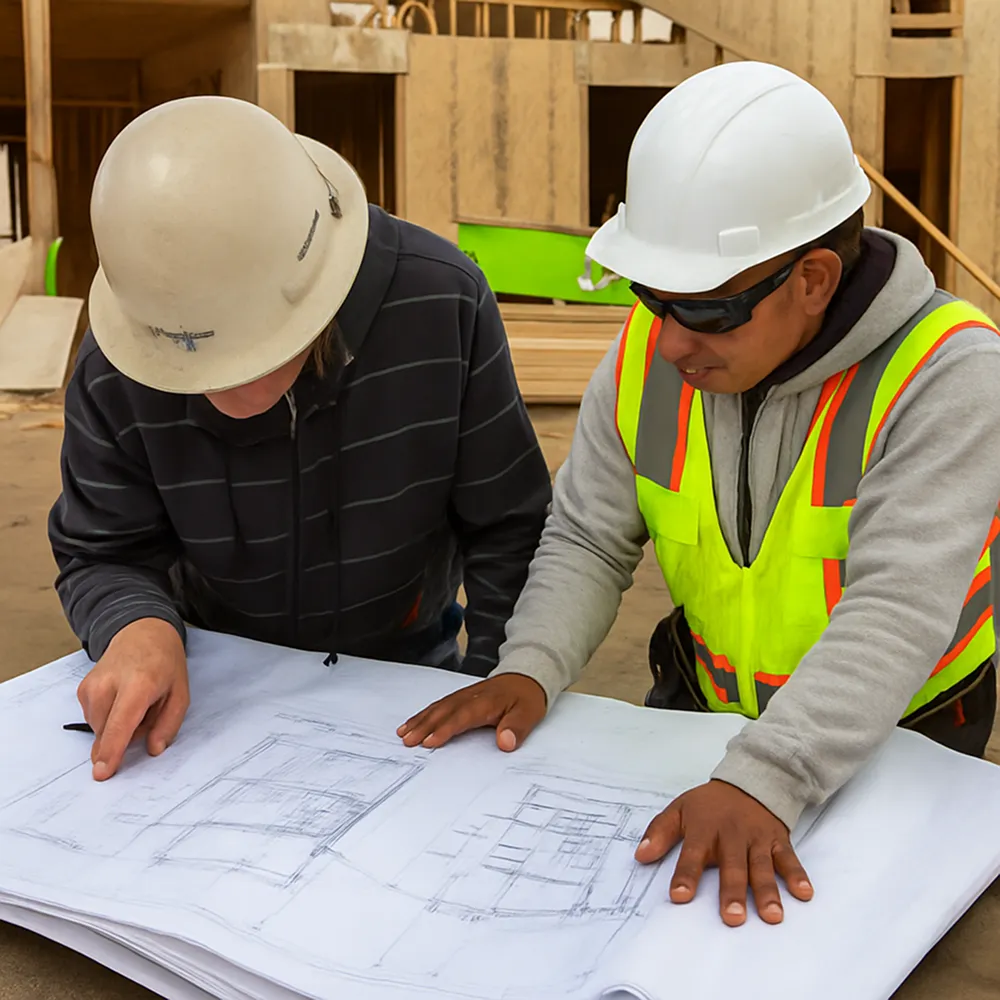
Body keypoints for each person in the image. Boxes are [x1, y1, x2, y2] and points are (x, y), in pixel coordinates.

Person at [398, 62, 1000, 927]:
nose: (670, 338)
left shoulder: (946, 373)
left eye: (708, 311)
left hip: (907, 734)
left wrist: (769, 776)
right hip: (707, 710)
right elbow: (589, 537)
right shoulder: (651, 353)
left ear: (814, 281)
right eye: (652, 296)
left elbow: (897, 610)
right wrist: (530, 664)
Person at [49, 96, 551, 784]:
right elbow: (100, 549)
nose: (221, 396)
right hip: (212, 703)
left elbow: (510, 529)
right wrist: (137, 628)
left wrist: (501, 676)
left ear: (316, 287)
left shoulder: (441, 306)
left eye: (249, 359)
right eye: (190, 372)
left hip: (406, 683)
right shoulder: (125, 355)